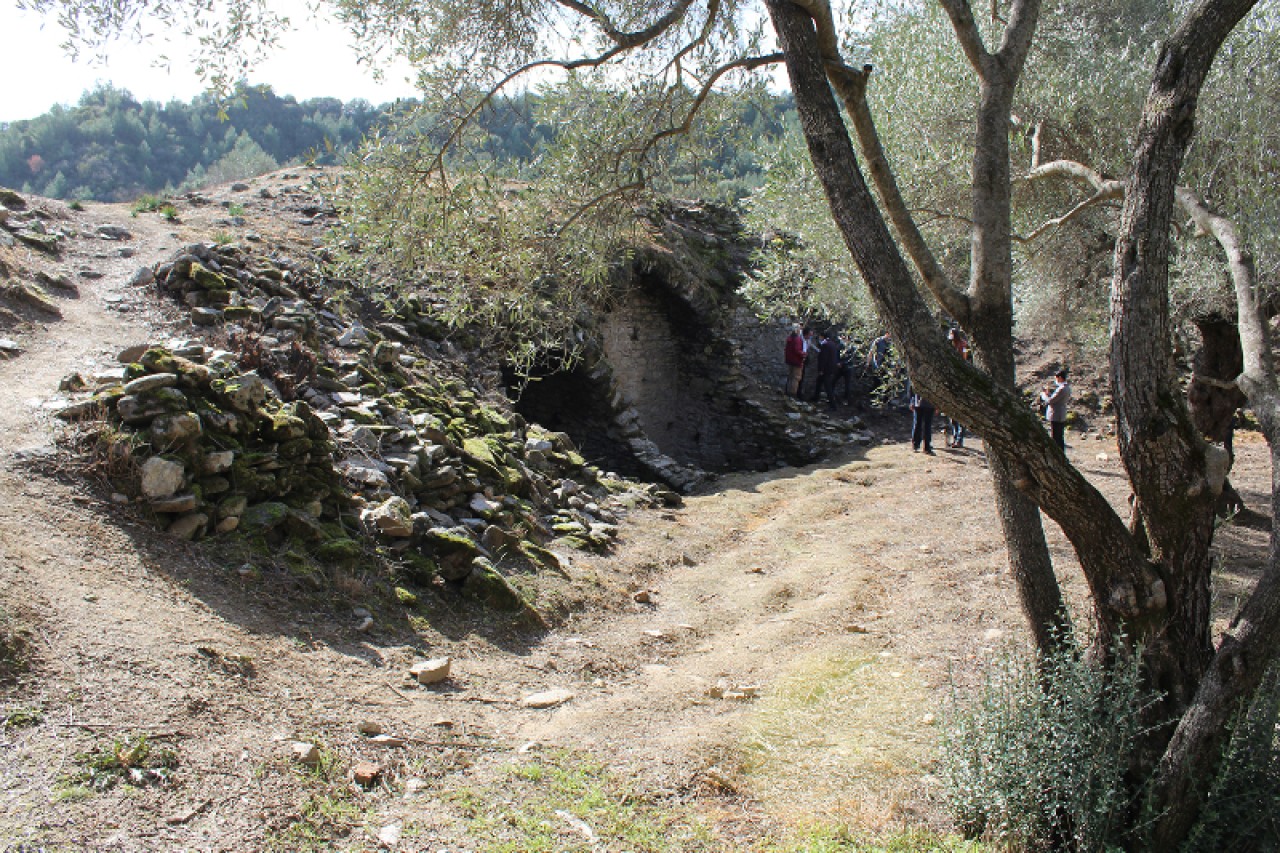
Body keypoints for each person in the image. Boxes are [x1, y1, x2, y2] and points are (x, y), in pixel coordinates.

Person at [945, 328, 970, 448]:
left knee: (960, 417)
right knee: (952, 418)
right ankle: (955, 438)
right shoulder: (949, 345)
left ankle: (959, 439)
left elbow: (965, 357)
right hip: (951, 379)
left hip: (960, 378)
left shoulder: (963, 344)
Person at [1040, 368, 1072, 450]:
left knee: (1055, 437)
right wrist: (1049, 394)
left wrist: (1044, 395)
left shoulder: (1061, 388)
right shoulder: (1067, 387)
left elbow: (1051, 400)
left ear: (1060, 378)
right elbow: (1056, 398)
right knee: (1060, 436)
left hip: (1056, 414)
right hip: (1061, 413)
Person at [814, 331, 842, 410]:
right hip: (831, 368)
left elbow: (823, 359)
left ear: (822, 337)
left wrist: (821, 370)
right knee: (819, 381)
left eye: (820, 336)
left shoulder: (825, 345)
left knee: (828, 387)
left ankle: (833, 405)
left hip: (826, 369)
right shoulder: (832, 344)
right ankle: (815, 397)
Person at [909, 384, 936, 454]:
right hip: (919, 403)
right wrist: (912, 401)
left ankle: (925, 446)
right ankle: (917, 444)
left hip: (928, 403)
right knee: (919, 424)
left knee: (926, 425)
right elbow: (912, 389)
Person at [784, 323, 806, 398]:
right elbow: (797, 350)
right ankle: (792, 394)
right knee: (796, 378)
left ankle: (788, 392)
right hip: (797, 361)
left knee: (790, 376)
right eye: (800, 329)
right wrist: (803, 354)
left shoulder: (790, 338)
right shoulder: (797, 339)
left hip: (790, 360)